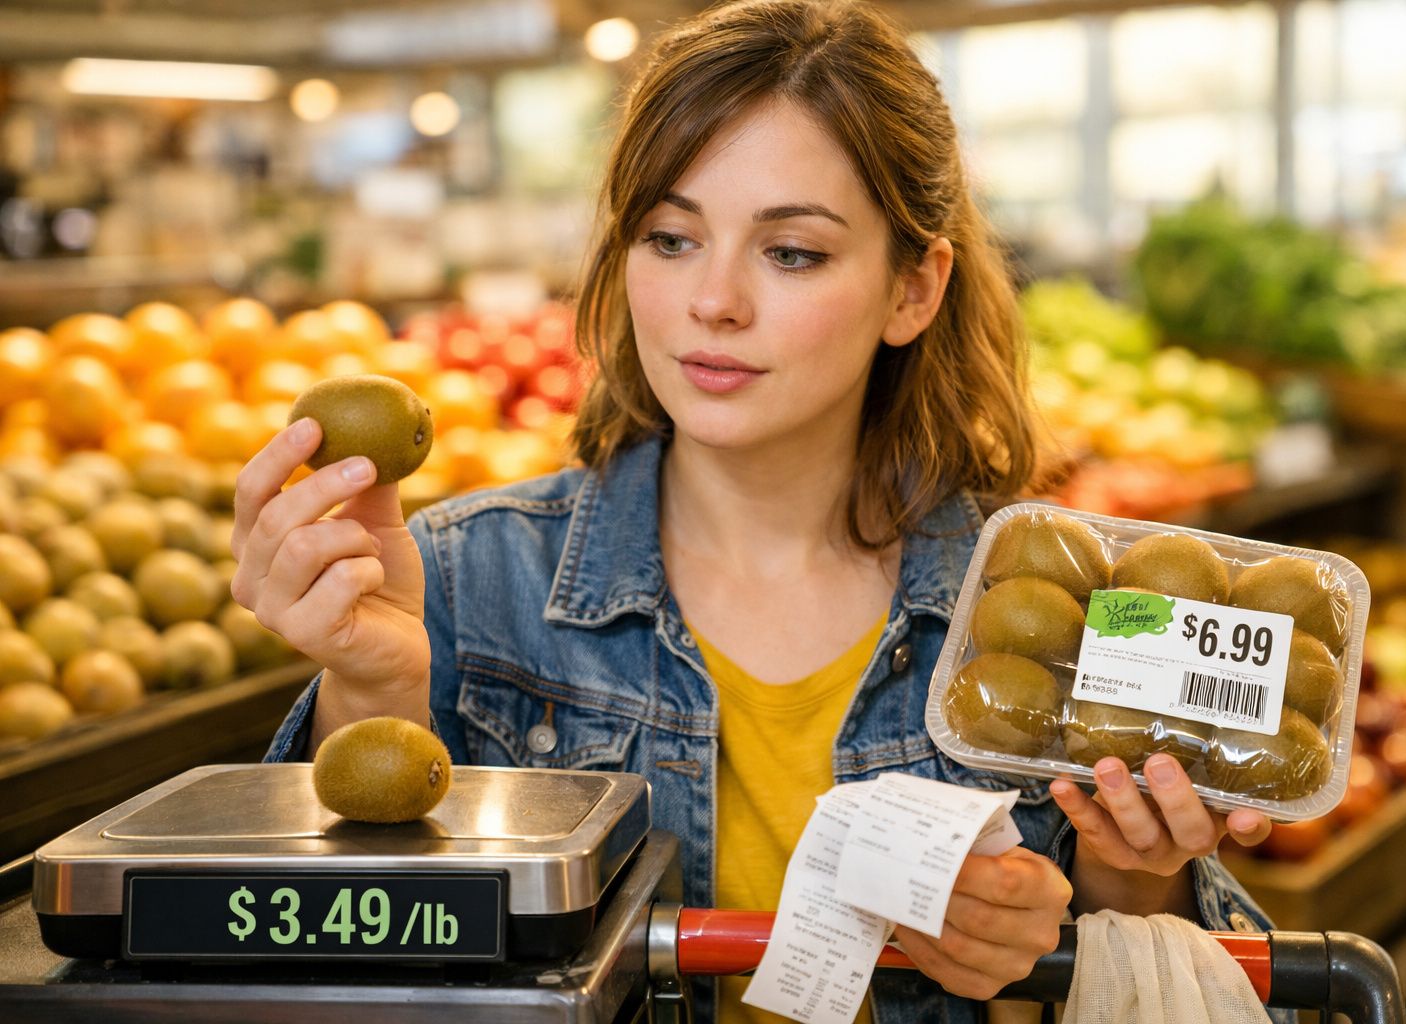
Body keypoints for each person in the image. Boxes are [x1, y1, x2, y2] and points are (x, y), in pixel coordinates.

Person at [236, 2, 1286, 1021]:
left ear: (914, 290)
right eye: (669, 237)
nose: (714, 302)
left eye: (791, 252)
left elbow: (1163, 974)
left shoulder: (1051, 611)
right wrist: (373, 687)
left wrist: (1118, 884)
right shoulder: (466, 582)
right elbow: (331, 964)